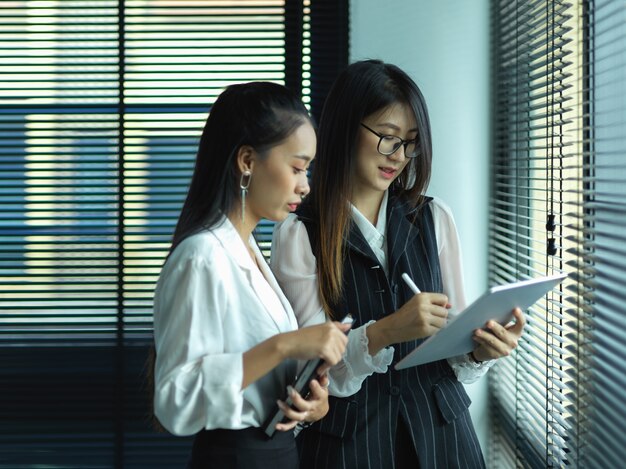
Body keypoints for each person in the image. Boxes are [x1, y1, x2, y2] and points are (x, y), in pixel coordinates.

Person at [271, 60, 525, 468]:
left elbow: (456, 342)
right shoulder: (299, 234)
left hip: (445, 441)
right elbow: (311, 372)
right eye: (388, 139)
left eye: (410, 142)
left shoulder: (434, 216)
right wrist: (386, 331)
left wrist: (479, 351)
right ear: (345, 128)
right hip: (350, 449)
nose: (400, 156)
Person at [152, 81, 351, 469]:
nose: (305, 185)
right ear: (247, 160)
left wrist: (312, 402)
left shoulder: (250, 249)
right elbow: (174, 400)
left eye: (307, 169)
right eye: (296, 167)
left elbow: (256, 380)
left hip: (275, 450)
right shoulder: (202, 256)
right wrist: (286, 345)